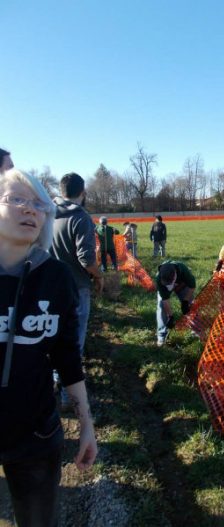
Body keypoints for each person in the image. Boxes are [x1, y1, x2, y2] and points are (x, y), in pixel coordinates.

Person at [0, 169, 97, 526]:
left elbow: (67, 355)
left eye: (38, 204)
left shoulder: (55, 277)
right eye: (17, 199)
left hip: (36, 432)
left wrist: (86, 423)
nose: (31, 210)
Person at [50, 173, 103, 408]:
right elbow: (86, 258)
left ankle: (54, 381)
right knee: (73, 342)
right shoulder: (80, 217)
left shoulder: (47, 215)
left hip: (49, 287)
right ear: (83, 192)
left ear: (62, 191)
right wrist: (99, 275)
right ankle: (68, 395)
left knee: (53, 337)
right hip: (76, 288)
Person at [155, 260, 196, 346]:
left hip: (181, 284)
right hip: (164, 288)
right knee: (161, 306)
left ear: (174, 276)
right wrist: (170, 316)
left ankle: (196, 330)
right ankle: (162, 336)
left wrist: (185, 301)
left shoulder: (183, 270)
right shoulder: (159, 278)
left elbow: (192, 286)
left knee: (191, 304)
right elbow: (165, 299)